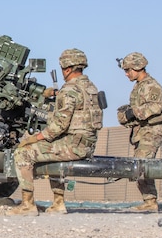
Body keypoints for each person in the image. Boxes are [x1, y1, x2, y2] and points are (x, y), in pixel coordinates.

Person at [7, 48, 102, 216]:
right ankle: (58, 203)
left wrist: (34, 138)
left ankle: (27, 205)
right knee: (51, 151)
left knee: (23, 153)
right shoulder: (90, 87)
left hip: (73, 145)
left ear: (66, 68)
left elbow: (59, 126)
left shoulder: (69, 90)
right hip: (86, 144)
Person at [117, 52, 162, 212]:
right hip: (143, 130)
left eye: (128, 70)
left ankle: (151, 202)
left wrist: (134, 112)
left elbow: (155, 107)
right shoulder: (139, 86)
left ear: (138, 68)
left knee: (141, 164)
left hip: (153, 130)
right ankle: (149, 201)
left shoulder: (151, 86)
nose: (126, 74)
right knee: (140, 165)